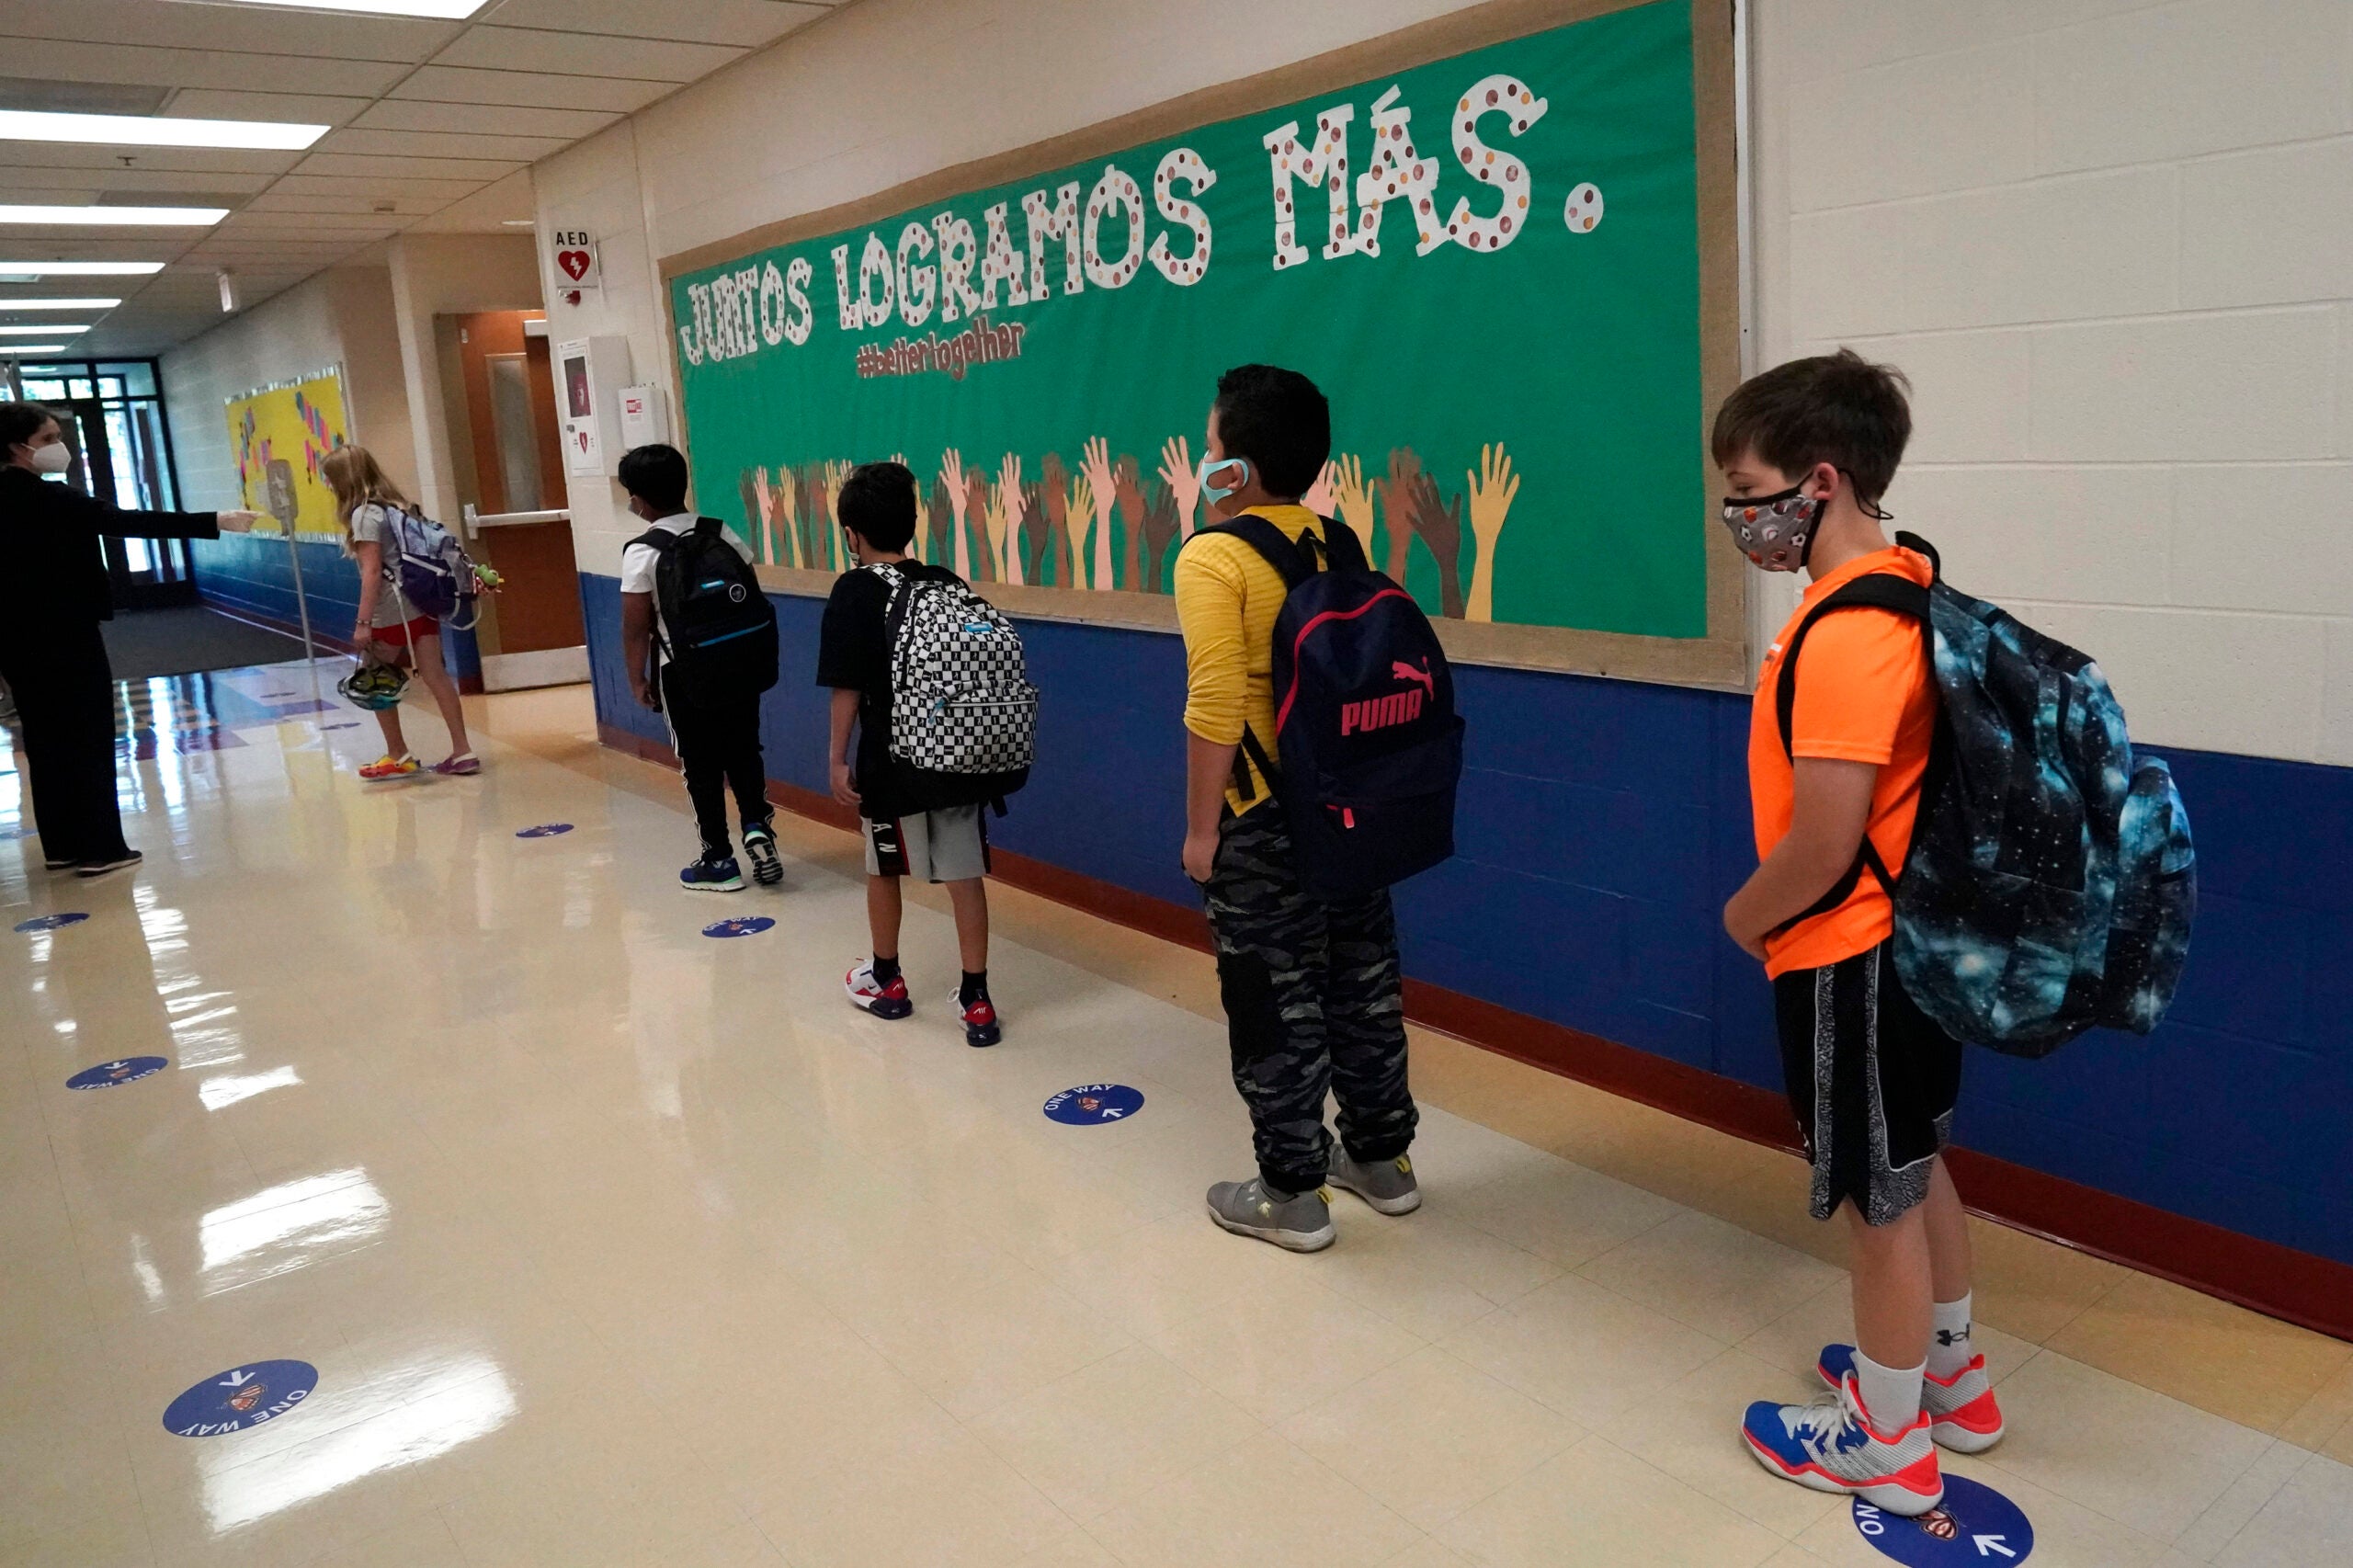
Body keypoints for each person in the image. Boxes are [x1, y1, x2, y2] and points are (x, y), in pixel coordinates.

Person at [1718, 351, 1994, 1518]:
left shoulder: (1842, 633)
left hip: (1849, 951)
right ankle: (1950, 1381)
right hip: (1910, 943)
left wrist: (1743, 915)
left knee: (1871, 1202)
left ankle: (1885, 1441)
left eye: (1747, 487)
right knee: (1914, 1161)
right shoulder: (1908, 574)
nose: (1738, 514)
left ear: (1817, 482)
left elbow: (1825, 840)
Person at [1174, 365, 1416, 1254]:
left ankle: (1290, 1193)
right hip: (1351, 808)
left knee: (1273, 1000)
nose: (1205, 461)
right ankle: (1382, 1162)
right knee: (1361, 983)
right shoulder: (1340, 543)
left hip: (1263, 818)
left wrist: (1204, 833)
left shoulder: (1213, 556)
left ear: (1234, 468)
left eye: (1210, 447)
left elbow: (1214, 705)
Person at [0, 401, 257, 876]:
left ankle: (61, 845)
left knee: (44, 737)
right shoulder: (54, 499)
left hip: (15, 639)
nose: (60, 449)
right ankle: (101, 847)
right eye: (48, 440)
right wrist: (213, 520)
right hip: (67, 631)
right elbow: (127, 521)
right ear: (18, 448)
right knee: (88, 736)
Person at [817, 460, 1000, 1046]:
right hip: (955, 758)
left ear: (852, 534)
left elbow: (847, 687)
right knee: (964, 874)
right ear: (912, 524)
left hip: (890, 762)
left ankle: (888, 981)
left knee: (884, 867)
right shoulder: (946, 583)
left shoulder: (851, 592)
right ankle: (976, 1000)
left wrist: (836, 757)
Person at [617, 443, 781, 892]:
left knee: (700, 763)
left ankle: (719, 859)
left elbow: (636, 627)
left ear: (641, 500)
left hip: (684, 672)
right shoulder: (719, 531)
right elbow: (750, 594)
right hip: (740, 662)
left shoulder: (642, 551)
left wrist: (637, 679)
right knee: (745, 749)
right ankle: (758, 828)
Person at [321, 447, 478, 780]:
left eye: (330, 478)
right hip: (422, 601)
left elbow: (372, 572)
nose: (327, 485)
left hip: (391, 609)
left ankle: (398, 753)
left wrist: (363, 623)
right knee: (435, 674)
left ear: (343, 480)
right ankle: (463, 751)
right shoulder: (396, 506)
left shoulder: (363, 515)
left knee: (374, 674)